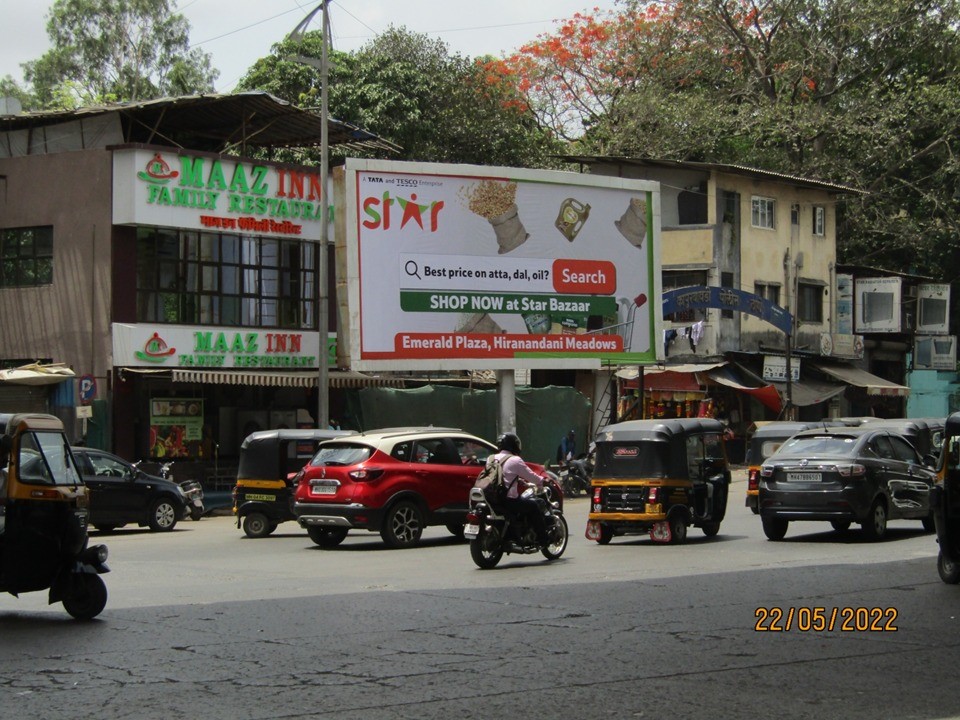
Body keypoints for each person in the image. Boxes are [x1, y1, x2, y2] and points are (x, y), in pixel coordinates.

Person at [491, 431, 549, 545]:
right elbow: (531, 476)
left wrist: (519, 481)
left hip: (493, 499)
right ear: (513, 445)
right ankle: (543, 539)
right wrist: (541, 481)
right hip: (509, 500)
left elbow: (501, 476)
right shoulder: (515, 460)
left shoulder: (492, 458)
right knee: (534, 505)